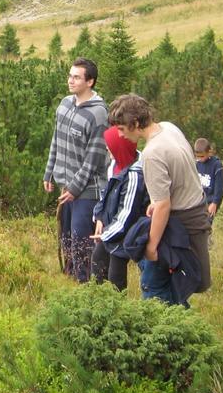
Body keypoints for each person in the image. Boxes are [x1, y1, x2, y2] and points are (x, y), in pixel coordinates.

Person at [107, 93, 213, 298]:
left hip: (182, 222)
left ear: (135, 123)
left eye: (121, 128)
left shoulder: (152, 153)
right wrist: (155, 201)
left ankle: (161, 326)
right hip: (197, 210)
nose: (119, 135)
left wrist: (152, 247)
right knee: (177, 285)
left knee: (153, 285)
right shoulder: (168, 127)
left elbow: (164, 205)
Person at [43, 57, 110, 283]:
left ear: (89, 81)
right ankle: (71, 280)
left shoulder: (99, 114)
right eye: (70, 75)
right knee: (67, 238)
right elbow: (56, 139)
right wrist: (49, 171)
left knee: (82, 241)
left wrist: (74, 187)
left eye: (76, 77)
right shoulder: (64, 104)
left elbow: (93, 158)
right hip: (66, 186)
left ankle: (86, 286)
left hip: (87, 191)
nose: (70, 80)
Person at [90, 126, 148, 291]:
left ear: (120, 147)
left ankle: (117, 310)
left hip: (125, 234)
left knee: (115, 277)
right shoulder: (114, 165)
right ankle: (96, 305)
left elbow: (127, 215)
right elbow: (105, 194)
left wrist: (105, 234)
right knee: (98, 261)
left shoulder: (134, 175)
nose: (107, 148)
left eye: (110, 145)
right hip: (109, 230)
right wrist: (99, 217)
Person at [194, 138, 223, 221]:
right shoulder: (197, 163)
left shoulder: (217, 165)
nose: (200, 158)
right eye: (198, 156)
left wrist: (215, 203)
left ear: (209, 152)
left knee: (206, 225)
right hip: (198, 201)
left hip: (210, 202)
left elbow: (220, 187)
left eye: (202, 156)